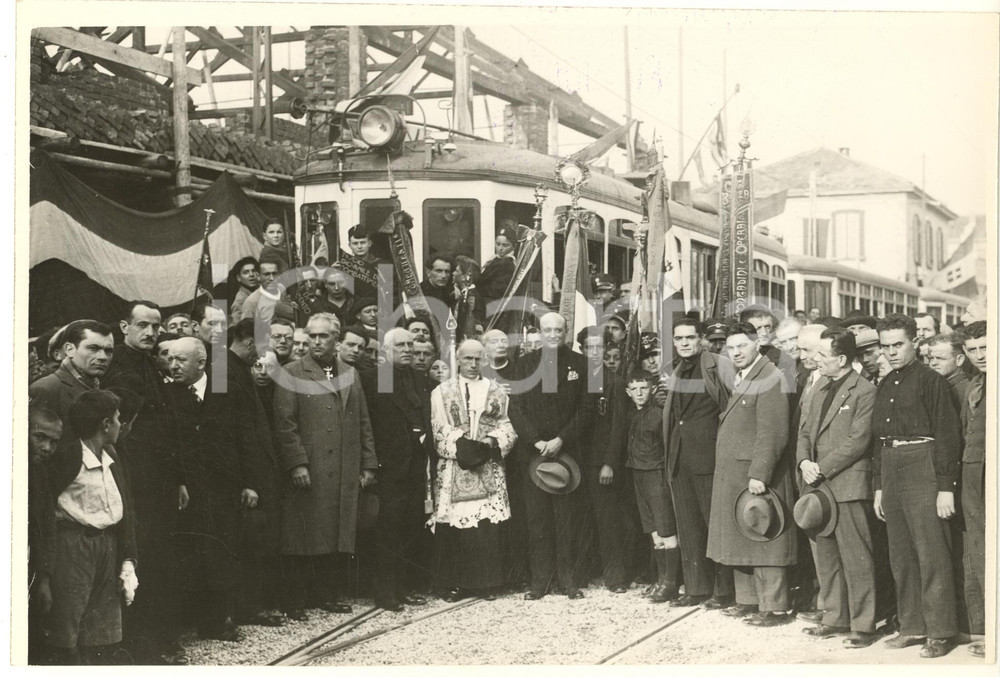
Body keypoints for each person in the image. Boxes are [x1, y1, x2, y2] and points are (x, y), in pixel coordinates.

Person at [274, 313, 377, 620]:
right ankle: (296, 599)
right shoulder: (292, 371)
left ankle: (327, 594)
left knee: (335, 534)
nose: (316, 342)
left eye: (323, 337)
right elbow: (285, 424)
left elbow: (363, 421)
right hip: (312, 467)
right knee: (303, 534)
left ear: (336, 339)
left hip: (344, 467)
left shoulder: (350, 372)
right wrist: (297, 463)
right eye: (312, 336)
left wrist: (368, 462)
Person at [103, 302, 188, 665]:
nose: (151, 333)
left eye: (156, 327)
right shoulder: (117, 365)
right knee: (139, 559)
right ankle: (139, 643)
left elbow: (170, 429)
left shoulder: (152, 364)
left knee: (160, 557)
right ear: (124, 326)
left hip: (161, 478)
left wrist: (180, 479)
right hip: (134, 477)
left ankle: (158, 637)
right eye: (142, 325)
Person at [872, 313, 961, 658]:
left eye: (898, 345)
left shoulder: (931, 381)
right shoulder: (886, 382)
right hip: (892, 465)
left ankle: (940, 631)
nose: (892, 352)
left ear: (914, 344)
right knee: (902, 553)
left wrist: (945, 487)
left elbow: (947, 436)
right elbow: (878, 438)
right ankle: (912, 627)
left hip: (922, 463)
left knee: (931, 551)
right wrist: (879, 486)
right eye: (886, 346)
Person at [166, 336, 265, 642]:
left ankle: (218, 621)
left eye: (180, 360)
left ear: (200, 362)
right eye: (170, 359)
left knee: (223, 552)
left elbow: (247, 439)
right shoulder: (167, 394)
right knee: (192, 554)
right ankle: (189, 621)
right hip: (188, 491)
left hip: (224, 489)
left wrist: (251, 483)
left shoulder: (228, 391)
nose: (173, 366)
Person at [706, 322, 796, 627]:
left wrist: (760, 473)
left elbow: (772, 432)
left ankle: (774, 607)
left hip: (754, 474)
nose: (736, 353)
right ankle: (748, 600)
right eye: (730, 348)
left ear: (758, 342)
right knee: (743, 537)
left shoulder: (769, 377)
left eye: (742, 346)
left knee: (764, 537)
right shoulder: (748, 375)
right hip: (738, 472)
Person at [795, 327, 878, 648]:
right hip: (817, 485)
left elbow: (859, 441)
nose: (815, 360)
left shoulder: (864, 390)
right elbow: (803, 433)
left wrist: (822, 469)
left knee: (856, 557)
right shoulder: (818, 389)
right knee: (825, 555)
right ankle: (833, 617)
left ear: (842, 359)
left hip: (846, 485)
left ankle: (863, 625)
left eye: (822, 356)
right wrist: (804, 462)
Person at [45, 390, 137, 665]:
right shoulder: (68, 456)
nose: (122, 425)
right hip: (74, 546)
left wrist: (129, 559)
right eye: (119, 419)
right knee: (67, 627)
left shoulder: (112, 456)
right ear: (105, 424)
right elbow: (43, 506)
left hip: (107, 546)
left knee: (103, 631)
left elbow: (125, 507)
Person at [508, 312, 594, 600]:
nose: (554, 334)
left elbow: (587, 409)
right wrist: (536, 441)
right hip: (533, 456)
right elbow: (515, 409)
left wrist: (561, 439)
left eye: (559, 329)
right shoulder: (523, 365)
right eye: (548, 330)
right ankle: (540, 581)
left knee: (567, 519)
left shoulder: (582, 365)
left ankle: (569, 580)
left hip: (567, 455)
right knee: (537, 521)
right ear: (540, 333)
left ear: (566, 331)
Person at [428, 339, 517, 600]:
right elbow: (438, 428)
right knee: (457, 527)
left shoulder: (497, 390)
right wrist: (461, 446)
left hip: (488, 465)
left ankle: (485, 583)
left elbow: (508, 425)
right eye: (468, 358)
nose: (473, 364)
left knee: (485, 528)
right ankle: (455, 584)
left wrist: (492, 441)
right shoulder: (442, 392)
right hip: (457, 465)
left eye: (478, 358)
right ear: (458, 358)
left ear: (485, 360)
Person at [662, 318, 735, 609]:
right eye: (678, 338)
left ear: (700, 339)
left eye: (689, 338)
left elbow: (731, 406)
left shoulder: (718, 364)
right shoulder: (676, 369)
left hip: (709, 457)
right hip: (680, 458)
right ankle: (696, 588)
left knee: (714, 524)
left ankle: (724, 591)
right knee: (689, 526)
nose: (684, 343)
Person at [360, 328, 434, 610]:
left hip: (415, 464)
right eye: (400, 345)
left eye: (410, 344)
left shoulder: (419, 378)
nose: (407, 349)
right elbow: (365, 424)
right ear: (386, 350)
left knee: (409, 527)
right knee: (387, 529)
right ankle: (384, 591)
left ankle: (401, 587)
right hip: (387, 465)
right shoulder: (371, 379)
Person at [227, 320, 286, 629]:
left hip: (258, 472)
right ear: (250, 342)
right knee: (251, 544)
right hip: (250, 477)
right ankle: (246, 608)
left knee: (258, 543)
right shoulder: (230, 373)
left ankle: (252, 606)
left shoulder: (236, 372)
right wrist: (246, 482)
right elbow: (234, 435)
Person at [577, 327, 635, 594]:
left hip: (601, 463)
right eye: (588, 348)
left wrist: (609, 462)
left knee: (608, 521)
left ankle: (615, 577)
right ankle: (586, 572)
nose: (593, 353)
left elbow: (618, 427)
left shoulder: (614, 382)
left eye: (598, 348)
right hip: (576, 463)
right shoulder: (575, 380)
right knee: (581, 519)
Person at [624, 370, 679, 603]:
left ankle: (671, 583)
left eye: (643, 388)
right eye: (634, 389)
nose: (639, 393)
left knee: (666, 529)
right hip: (638, 474)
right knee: (654, 530)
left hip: (656, 474)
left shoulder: (658, 415)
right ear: (628, 392)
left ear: (652, 389)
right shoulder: (632, 415)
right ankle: (660, 579)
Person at [29, 320, 115, 444]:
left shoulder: (97, 388)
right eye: (93, 348)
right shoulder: (46, 388)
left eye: (108, 351)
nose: (103, 357)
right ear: (69, 349)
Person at [959, 321, 987, 658]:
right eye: (973, 350)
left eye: (985, 347)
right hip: (972, 476)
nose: (980, 355)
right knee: (979, 552)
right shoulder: (974, 385)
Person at [28, 406, 61, 664]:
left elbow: (48, 529)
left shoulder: (41, 474)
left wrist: (45, 579)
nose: (47, 448)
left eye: (54, 442)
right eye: (40, 437)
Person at [242, 251, 296, 324]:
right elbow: (245, 330)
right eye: (267, 274)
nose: (272, 278)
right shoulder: (251, 302)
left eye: (274, 274)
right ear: (258, 276)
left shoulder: (281, 289)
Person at [478, 225, 517, 317]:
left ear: (514, 246)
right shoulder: (495, 260)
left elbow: (497, 290)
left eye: (505, 245)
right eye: (498, 244)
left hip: (494, 307)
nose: (500, 248)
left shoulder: (507, 263)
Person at [925, 333, 970, 406]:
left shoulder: (966, 391)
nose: (933, 363)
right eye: (930, 358)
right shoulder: (937, 385)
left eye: (940, 358)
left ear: (959, 360)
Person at [229, 257, 260, 323]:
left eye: (254, 271)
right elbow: (238, 327)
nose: (251, 275)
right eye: (246, 272)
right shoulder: (240, 301)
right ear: (239, 278)